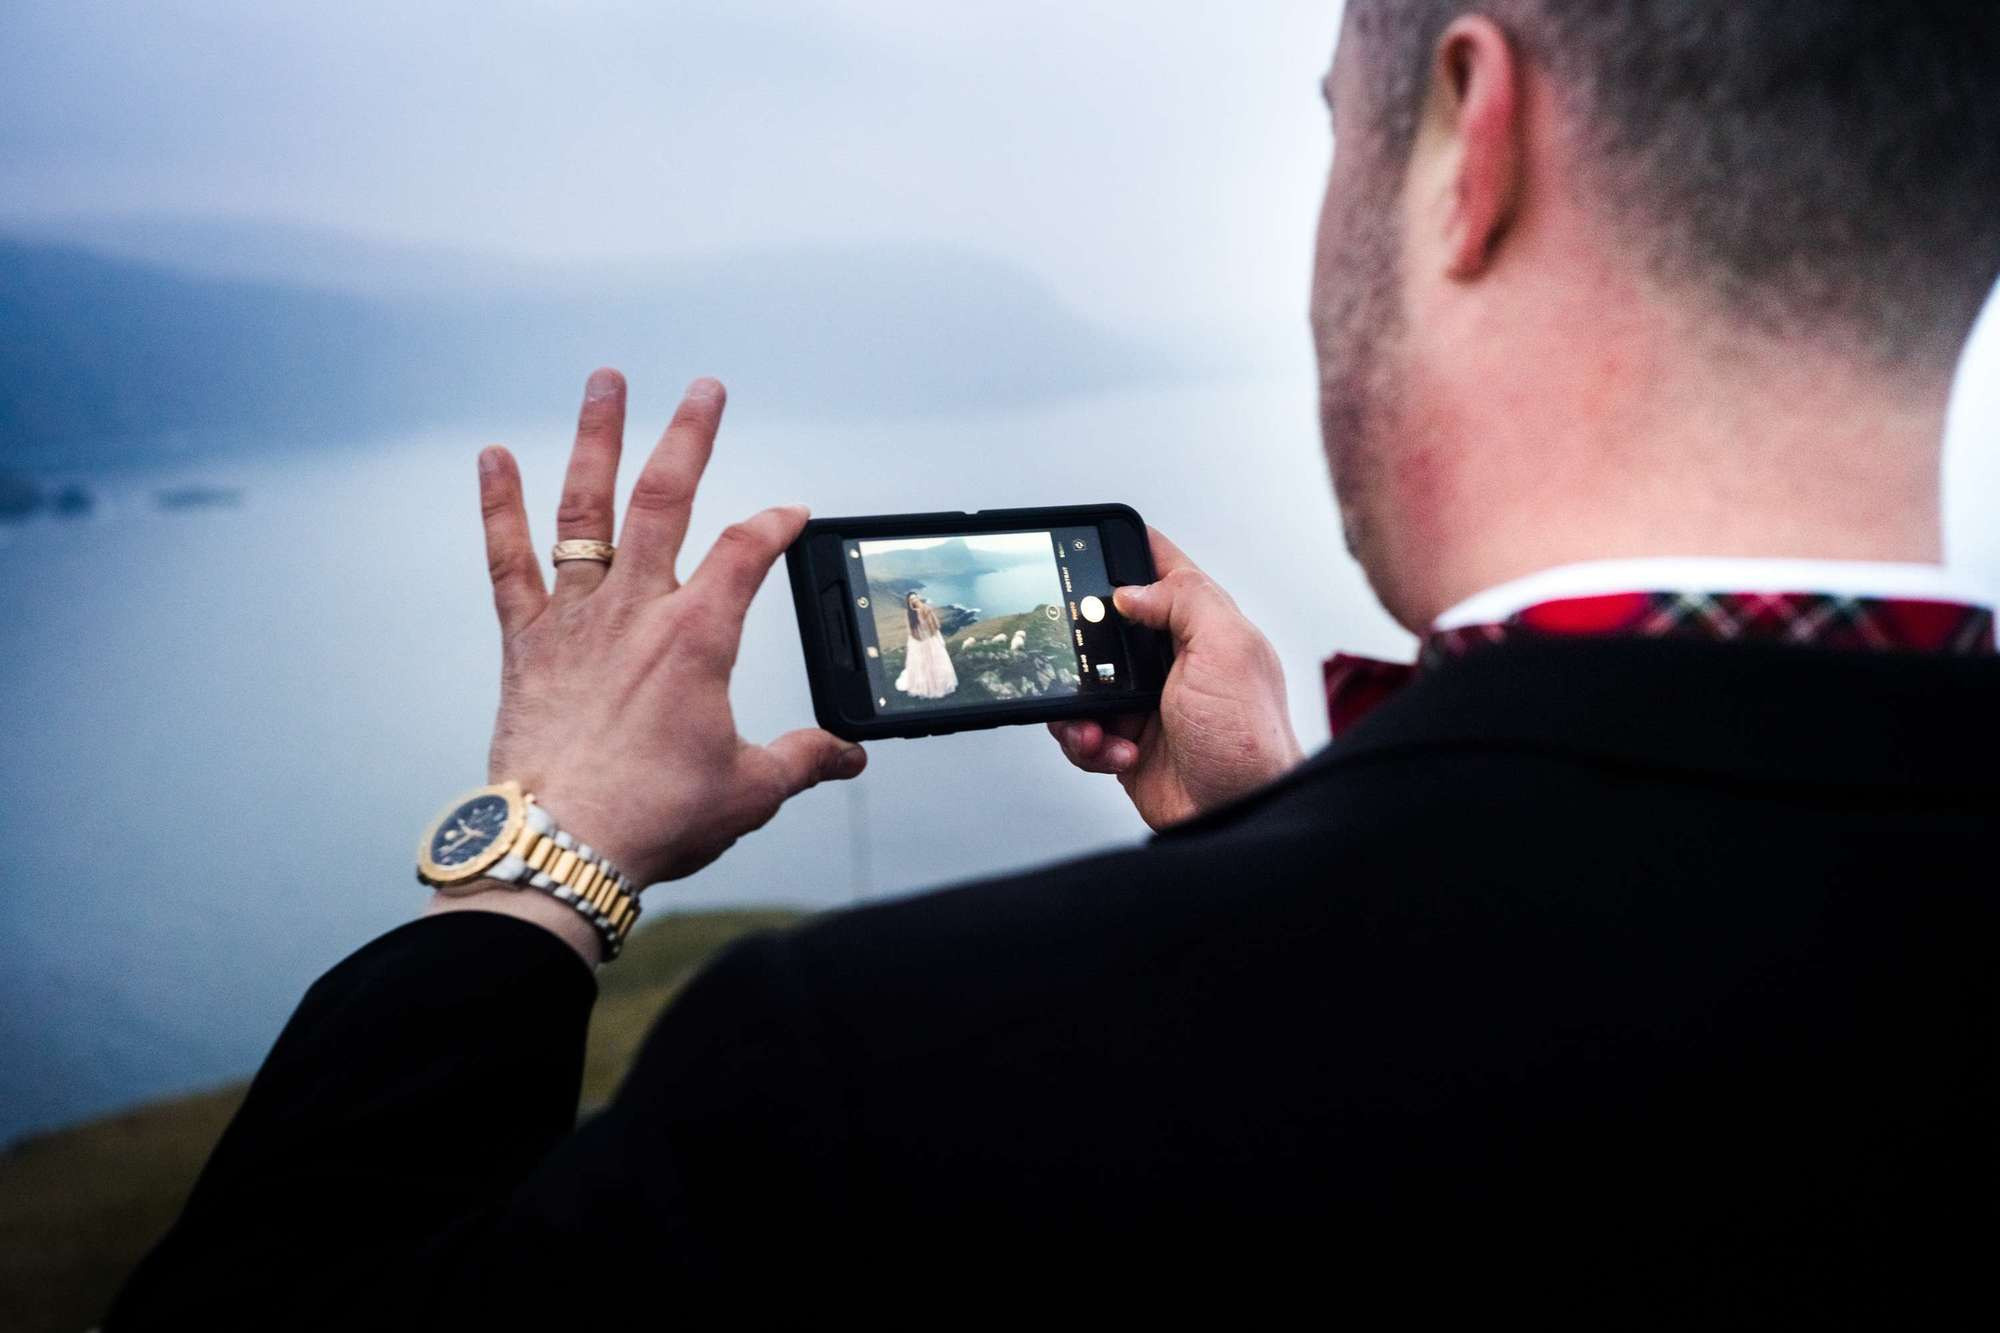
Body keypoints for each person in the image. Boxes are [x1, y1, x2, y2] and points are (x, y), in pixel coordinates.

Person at [109, 2, 2000, 1323]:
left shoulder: (874, 1085)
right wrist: (1279, 840)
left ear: (1465, 138)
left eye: (1336, 133)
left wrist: (542, 858)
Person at [894, 591, 958, 699]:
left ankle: (939, 684)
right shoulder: (909, 613)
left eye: (915, 597)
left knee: (936, 661)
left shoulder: (926, 608)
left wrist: (924, 610)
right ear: (909, 602)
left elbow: (934, 623)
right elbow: (910, 629)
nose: (914, 600)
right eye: (911, 599)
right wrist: (917, 638)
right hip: (918, 641)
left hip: (930, 638)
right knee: (922, 663)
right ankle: (926, 685)